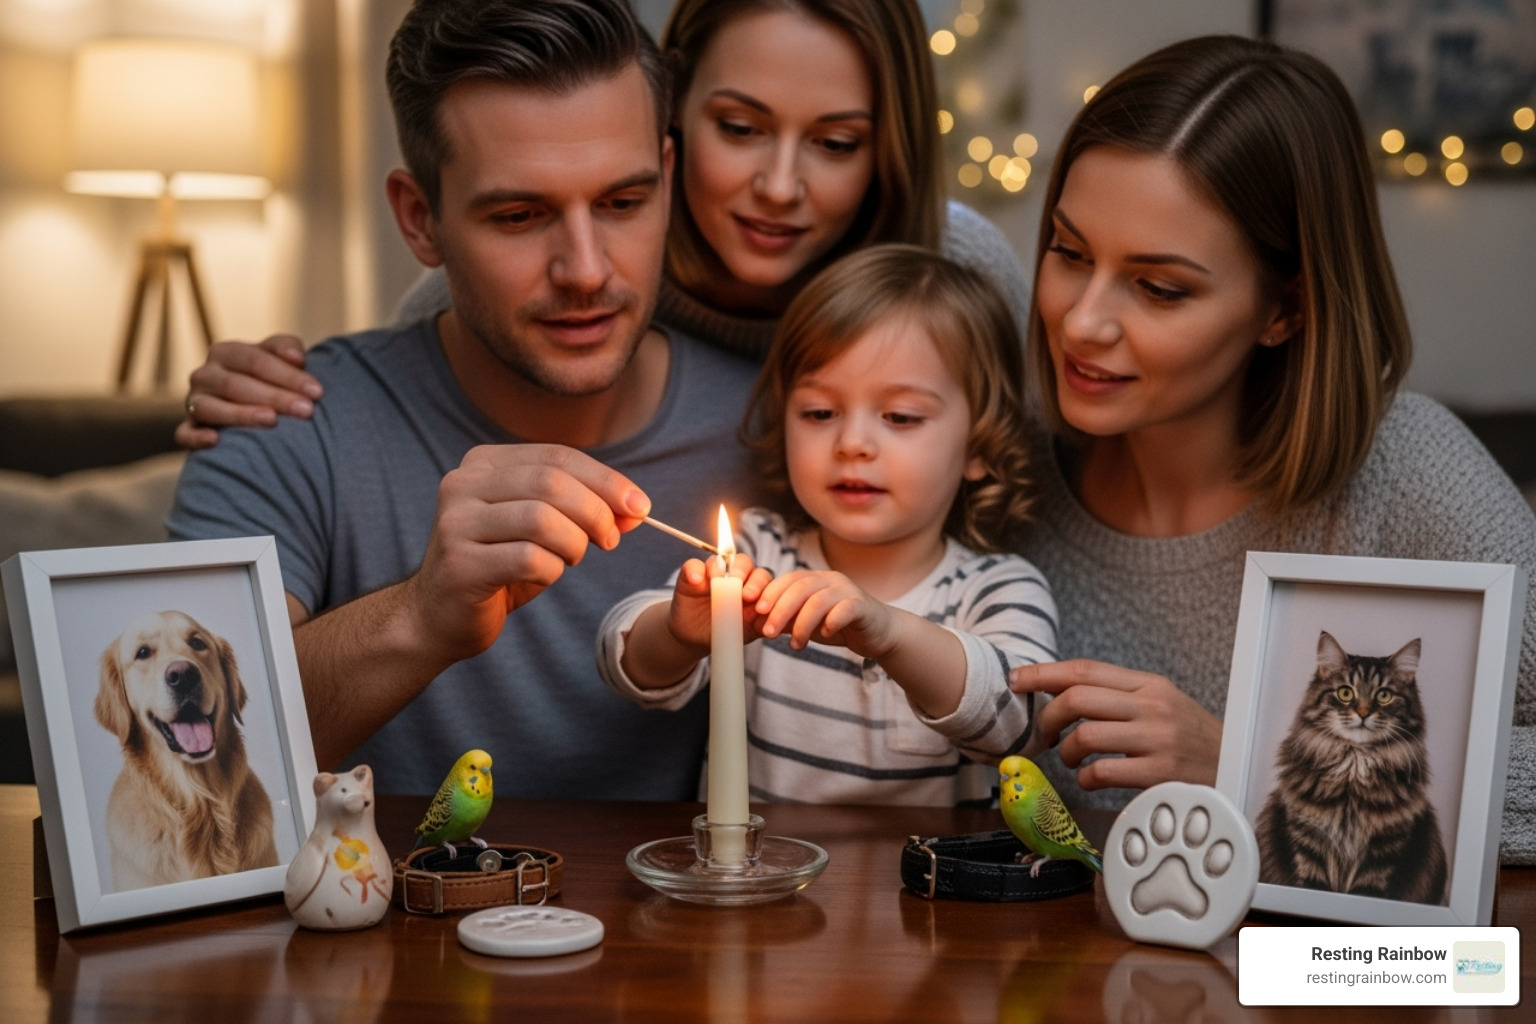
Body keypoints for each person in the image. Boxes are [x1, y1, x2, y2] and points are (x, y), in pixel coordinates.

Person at [167, 0, 765, 798]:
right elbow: (173, 774)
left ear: (666, 176)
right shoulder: (285, 423)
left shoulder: (789, 433)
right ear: (421, 221)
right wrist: (419, 617)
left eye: (624, 203)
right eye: (519, 215)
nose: (586, 268)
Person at [1004, 35, 1536, 862]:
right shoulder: (1001, 471)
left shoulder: (1408, 474)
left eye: (1159, 288)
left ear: (1287, 309)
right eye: (1069, 253)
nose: (1081, 322)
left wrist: (1252, 763)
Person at [172, 0, 1030, 446]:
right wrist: (278, 393)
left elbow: (1030, 501)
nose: (778, 186)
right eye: (738, 128)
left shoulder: (955, 267)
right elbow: (415, 410)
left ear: (890, 151)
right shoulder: (568, 283)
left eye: (837, 143)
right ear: (672, 122)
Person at [598, 245, 1054, 805]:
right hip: (761, 883)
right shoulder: (757, 555)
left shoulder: (998, 586)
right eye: (819, 413)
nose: (852, 444)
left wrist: (890, 634)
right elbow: (622, 664)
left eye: (900, 417)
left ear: (980, 445)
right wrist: (677, 633)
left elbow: (1026, 727)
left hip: (925, 893)